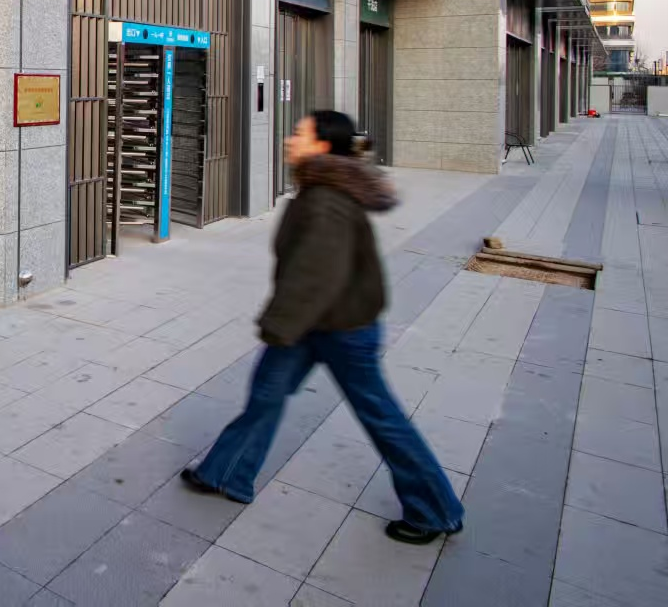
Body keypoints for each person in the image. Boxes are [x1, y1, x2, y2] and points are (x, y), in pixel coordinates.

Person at [180, 109, 465, 544]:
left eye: (300, 134)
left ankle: (435, 510)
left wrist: (279, 326)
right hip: (314, 323)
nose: (289, 139)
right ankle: (226, 474)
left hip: (341, 329)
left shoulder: (326, 199)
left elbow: (316, 275)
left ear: (323, 145)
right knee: (265, 396)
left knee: (380, 416)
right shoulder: (320, 187)